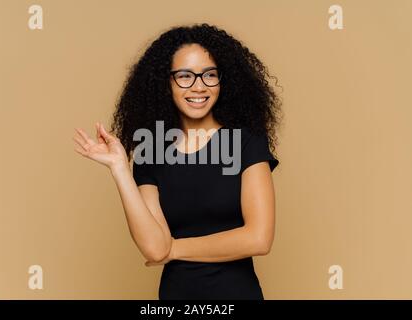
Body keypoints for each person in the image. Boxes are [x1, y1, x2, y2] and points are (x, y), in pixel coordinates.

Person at [73, 23, 282, 300]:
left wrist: (175, 249)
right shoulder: (151, 150)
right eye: (185, 76)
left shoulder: (246, 142)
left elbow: (258, 238)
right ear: (166, 82)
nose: (199, 87)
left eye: (210, 75)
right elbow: (153, 248)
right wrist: (120, 168)